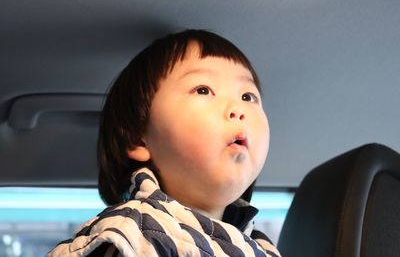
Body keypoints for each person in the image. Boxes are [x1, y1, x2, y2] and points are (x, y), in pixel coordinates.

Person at [47, 29, 281, 257]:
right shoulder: (131, 236)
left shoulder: (263, 248)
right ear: (138, 137)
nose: (238, 109)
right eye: (203, 90)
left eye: (248, 96)